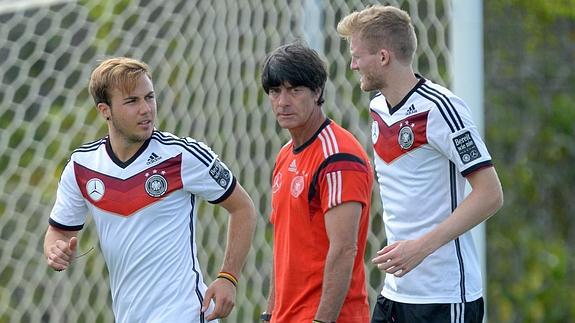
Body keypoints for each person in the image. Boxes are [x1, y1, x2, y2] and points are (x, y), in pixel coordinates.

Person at [43, 57, 257, 323]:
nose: (146, 109)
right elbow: (59, 231)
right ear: (104, 110)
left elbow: (243, 208)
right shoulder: (82, 167)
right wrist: (55, 249)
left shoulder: (182, 155)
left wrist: (228, 277)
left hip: (185, 313)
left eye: (150, 97)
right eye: (132, 101)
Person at [337, 5, 504, 323]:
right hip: (395, 294)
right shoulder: (377, 109)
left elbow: (490, 194)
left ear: (383, 57)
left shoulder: (441, 108)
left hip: (445, 297)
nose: (353, 64)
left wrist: (420, 248)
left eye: (358, 55)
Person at [260, 42, 373, 323]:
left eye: (294, 90)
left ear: (317, 92)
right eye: (275, 91)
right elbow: (284, 246)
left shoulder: (338, 156)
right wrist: (269, 313)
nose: (283, 101)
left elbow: (344, 249)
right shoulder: (285, 154)